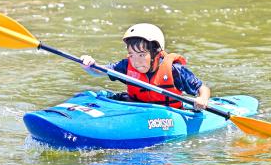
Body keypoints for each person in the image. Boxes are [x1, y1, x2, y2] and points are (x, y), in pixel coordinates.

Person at [80, 23, 212, 110]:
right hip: (137, 109)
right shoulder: (127, 65)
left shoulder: (174, 71)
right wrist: (90, 65)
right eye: (132, 55)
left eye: (142, 55)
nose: (136, 61)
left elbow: (202, 88)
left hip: (169, 114)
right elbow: (100, 71)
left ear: (156, 53)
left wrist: (202, 99)